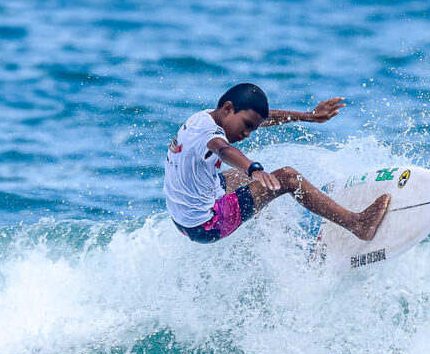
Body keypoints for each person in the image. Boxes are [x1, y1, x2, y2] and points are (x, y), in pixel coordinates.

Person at [164, 83, 390, 244]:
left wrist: (308, 116)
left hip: (183, 219)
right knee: (286, 178)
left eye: (252, 127)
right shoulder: (211, 135)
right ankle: (357, 224)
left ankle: (268, 235)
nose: (247, 133)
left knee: (254, 184)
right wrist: (254, 169)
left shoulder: (203, 118)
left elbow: (263, 118)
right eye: (246, 125)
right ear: (228, 108)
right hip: (208, 224)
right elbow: (224, 150)